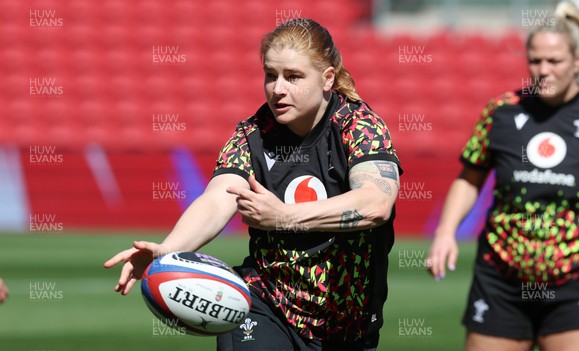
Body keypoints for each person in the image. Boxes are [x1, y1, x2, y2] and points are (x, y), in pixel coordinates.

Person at [105, 18, 401, 351]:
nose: (278, 88)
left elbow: (376, 204)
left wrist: (285, 216)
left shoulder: (359, 126)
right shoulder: (253, 134)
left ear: (327, 79)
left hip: (349, 326)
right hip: (264, 305)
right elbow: (218, 199)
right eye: (270, 75)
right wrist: (169, 249)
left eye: (293, 77)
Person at [427, 2, 579, 350]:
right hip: (501, 282)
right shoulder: (502, 111)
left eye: (555, 61)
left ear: (577, 62)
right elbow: (469, 178)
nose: (543, 70)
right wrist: (446, 232)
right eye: (535, 61)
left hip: (578, 281)